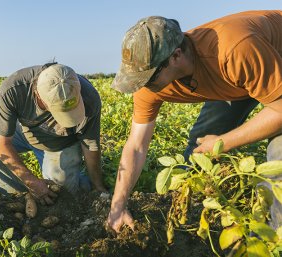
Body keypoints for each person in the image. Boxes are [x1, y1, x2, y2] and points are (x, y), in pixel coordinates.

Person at [106, 10, 282, 232]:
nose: (143, 86)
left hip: (271, 58)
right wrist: (118, 205)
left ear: (176, 56)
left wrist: (223, 142)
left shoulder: (233, 50)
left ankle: (276, 239)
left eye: (148, 79)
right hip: (238, 78)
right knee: (199, 150)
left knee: (278, 159)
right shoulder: (148, 83)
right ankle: (194, 213)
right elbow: (136, 145)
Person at [0, 63, 107, 204]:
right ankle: (21, 197)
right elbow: (1, 144)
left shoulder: (89, 97)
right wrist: (31, 182)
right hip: (25, 131)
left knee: (64, 196)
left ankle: (79, 181)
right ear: (38, 95)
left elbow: (90, 145)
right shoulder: (13, 89)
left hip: (60, 143)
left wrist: (98, 187)